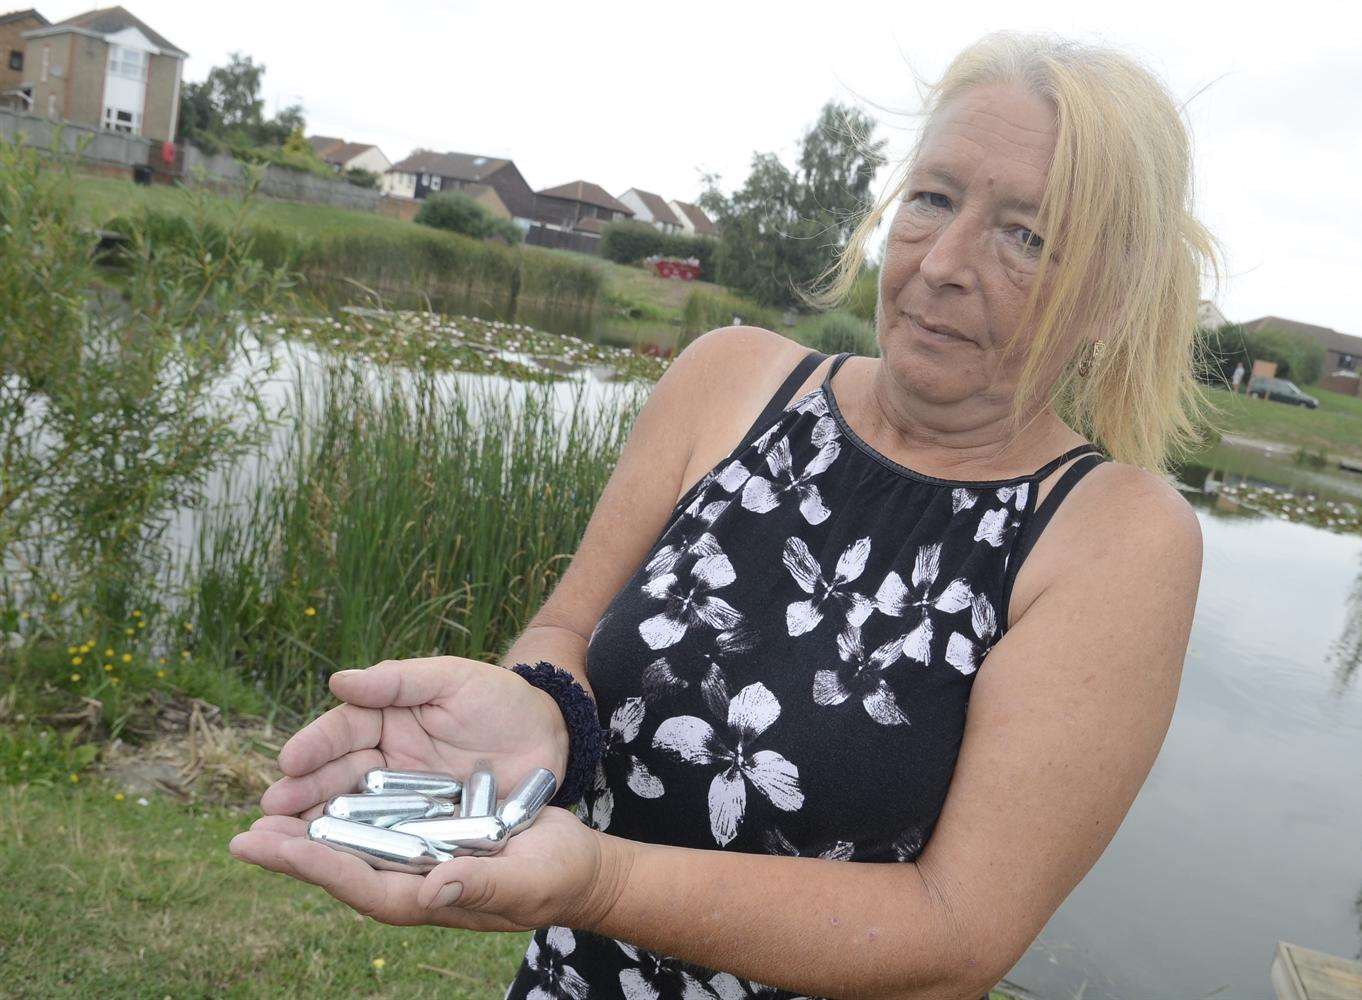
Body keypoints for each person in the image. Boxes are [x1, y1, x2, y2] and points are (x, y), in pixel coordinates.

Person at [229, 30, 1216, 1000]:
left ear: (1109, 294)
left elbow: (958, 929)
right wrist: (544, 713)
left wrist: (601, 878)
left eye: (1026, 235)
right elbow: (570, 629)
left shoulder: (1112, 537)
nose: (941, 262)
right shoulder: (732, 383)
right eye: (933, 198)